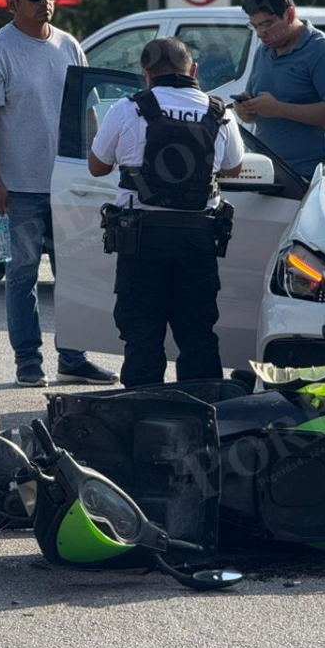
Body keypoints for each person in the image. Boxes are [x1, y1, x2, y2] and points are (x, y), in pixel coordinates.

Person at [0, 0, 118, 387]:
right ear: (12, 3)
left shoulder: (69, 46)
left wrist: (95, 170)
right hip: (19, 188)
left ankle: (73, 357)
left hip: (69, 186)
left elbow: (88, 112)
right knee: (22, 276)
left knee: (74, 275)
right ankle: (28, 361)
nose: (45, 2)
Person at [88, 37, 244, 388]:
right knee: (198, 333)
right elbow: (234, 167)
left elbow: (97, 166)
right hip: (198, 239)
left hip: (141, 239)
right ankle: (204, 416)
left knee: (142, 333)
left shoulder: (127, 109)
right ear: (194, 70)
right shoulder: (220, 113)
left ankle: (141, 418)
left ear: (145, 74)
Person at [234, 0, 325, 177]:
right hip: (265, 174)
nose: (260, 33)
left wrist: (279, 109)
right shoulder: (263, 51)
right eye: (254, 26)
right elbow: (255, 104)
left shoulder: (324, 51)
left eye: (266, 24)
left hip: (306, 178)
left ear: (290, 14)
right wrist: (245, 110)